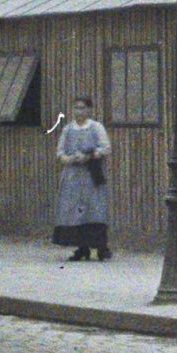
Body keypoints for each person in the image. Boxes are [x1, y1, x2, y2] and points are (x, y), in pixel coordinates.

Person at [51, 97, 112, 262]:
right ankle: (82, 248)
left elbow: (106, 148)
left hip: (91, 176)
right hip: (73, 177)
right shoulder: (68, 129)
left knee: (93, 210)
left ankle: (100, 248)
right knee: (75, 211)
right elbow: (60, 153)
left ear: (89, 110)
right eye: (76, 108)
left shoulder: (96, 127)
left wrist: (89, 156)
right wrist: (70, 159)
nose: (79, 111)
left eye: (82, 108)